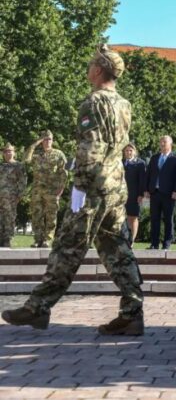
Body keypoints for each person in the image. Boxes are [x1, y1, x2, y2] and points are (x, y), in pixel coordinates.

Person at [1, 44, 144, 335]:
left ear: (99, 70)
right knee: (117, 249)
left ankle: (38, 308)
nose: (88, 68)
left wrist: (79, 185)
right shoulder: (124, 104)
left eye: (92, 64)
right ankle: (132, 313)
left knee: (67, 246)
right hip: (116, 185)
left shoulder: (92, 103)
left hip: (93, 186)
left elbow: (90, 147)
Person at [23, 130, 68, 248]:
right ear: (42, 141)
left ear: (52, 141)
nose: (47, 142)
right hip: (37, 191)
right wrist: (35, 144)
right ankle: (38, 239)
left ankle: (48, 240)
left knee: (51, 216)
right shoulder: (37, 154)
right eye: (45, 139)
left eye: (49, 139)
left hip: (52, 191)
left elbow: (63, 172)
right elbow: (26, 159)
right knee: (36, 215)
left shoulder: (58, 154)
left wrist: (61, 187)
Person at [145, 135, 176, 250]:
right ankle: (154, 244)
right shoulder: (154, 158)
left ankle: (167, 243)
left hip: (169, 194)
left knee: (168, 219)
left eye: (164, 142)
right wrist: (146, 190)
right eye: (161, 142)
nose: (162, 144)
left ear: (170, 144)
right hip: (154, 193)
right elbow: (149, 174)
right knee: (154, 219)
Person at [0, 143, 27, 247]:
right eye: (6, 151)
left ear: (14, 152)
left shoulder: (18, 166)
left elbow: (23, 181)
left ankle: (7, 239)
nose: (8, 153)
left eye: (10, 151)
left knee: (9, 218)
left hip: (11, 197)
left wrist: (19, 195)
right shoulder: (1, 166)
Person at [122, 143, 146, 245]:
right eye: (127, 151)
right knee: (122, 217)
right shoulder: (120, 162)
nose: (128, 152)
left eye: (130, 150)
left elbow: (142, 180)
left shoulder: (140, 163)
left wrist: (141, 194)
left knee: (133, 217)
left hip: (134, 195)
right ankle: (123, 239)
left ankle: (131, 240)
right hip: (121, 195)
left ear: (134, 152)